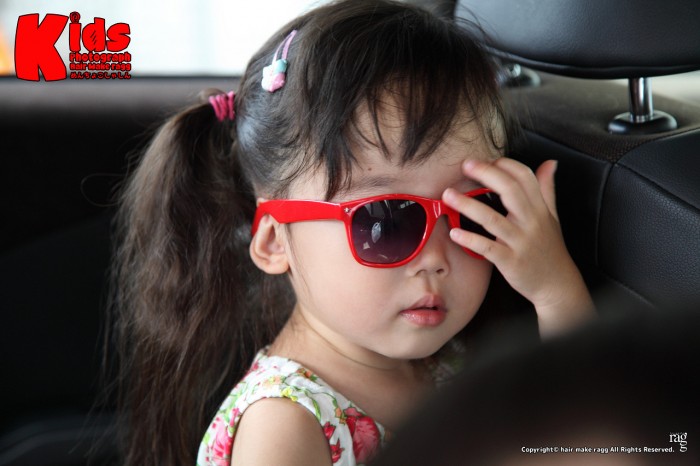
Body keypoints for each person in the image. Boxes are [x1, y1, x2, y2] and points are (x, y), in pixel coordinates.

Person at [109, 1, 595, 465]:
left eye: (473, 212)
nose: (436, 257)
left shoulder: (449, 362)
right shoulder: (285, 425)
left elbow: (586, 442)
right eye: (386, 221)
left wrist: (555, 292)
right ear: (275, 240)